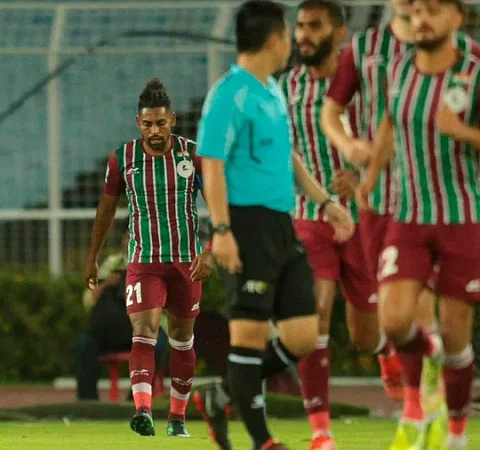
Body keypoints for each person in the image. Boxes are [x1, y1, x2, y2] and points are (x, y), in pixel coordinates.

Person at [196, 1, 355, 449]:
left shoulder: (272, 91)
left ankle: (223, 395)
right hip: (244, 226)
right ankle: (263, 441)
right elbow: (212, 165)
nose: (292, 41)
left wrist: (325, 203)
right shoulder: (229, 95)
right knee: (247, 337)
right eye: (287, 33)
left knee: (305, 336)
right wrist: (222, 232)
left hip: (283, 226)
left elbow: (287, 158)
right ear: (272, 40)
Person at [321, 2, 480, 445]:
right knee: (389, 323)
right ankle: (421, 382)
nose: (420, 13)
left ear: (456, 16)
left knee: (452, 330)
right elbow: (379, 122)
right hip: (401, 212)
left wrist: (462, 132)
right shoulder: (389, 62)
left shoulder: (474, 65)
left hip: (461, 213)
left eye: (433, 7)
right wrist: (366, 173)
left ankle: (447, 428)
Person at [278, 2, 402, 448]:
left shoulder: (365, 86)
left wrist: (361, 176)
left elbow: (391, 140)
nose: (303, 35)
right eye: (300, 26)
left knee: (366, 333)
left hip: (363, 219)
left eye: (314, 26)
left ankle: (385, 347)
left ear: (339, 32)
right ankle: (321, 431)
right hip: (309, 217)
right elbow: (282, 149)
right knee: (317, 311)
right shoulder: (287, 86)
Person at [84, 78, 215, 438]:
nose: (155, 131)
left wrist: (211, 249)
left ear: (172, 120)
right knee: (143, 331)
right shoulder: (123, 158)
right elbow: (106, 210)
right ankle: (143, 410)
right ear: (137, 123)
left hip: (187, 262)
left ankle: (177, 418)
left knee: (182, 339)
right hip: (144, 261)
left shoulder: (193, 155)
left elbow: (220, 203)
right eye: (147, 124)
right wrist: (92, 256)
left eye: (161, 123)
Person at [75, 229, 168, 402]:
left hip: (146, 329)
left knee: (157, 345)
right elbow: (89, 301)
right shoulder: (112, 263)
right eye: (128, 236)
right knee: (84, 343)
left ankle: (137, 401)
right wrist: (106, 284)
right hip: (110, 328)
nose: (130, 241)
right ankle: (87, 403)